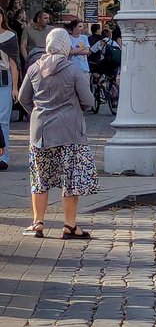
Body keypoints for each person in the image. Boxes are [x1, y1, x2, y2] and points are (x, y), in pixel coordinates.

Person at [17, 29, 96, 239]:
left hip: (41, 132)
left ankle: (38, 223)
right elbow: (88, 101)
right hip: (70, 131)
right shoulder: (73, 70)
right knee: (70, 180)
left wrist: (38, 112)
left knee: (39, 179)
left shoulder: (34, 68)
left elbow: (23, 99)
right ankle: (69, 226)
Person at [0, 12, 20, 171]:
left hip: (3, 80)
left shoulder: (9, 36)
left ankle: (3, 157)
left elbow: (13, 63)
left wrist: (15, 87)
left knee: (3, 120)